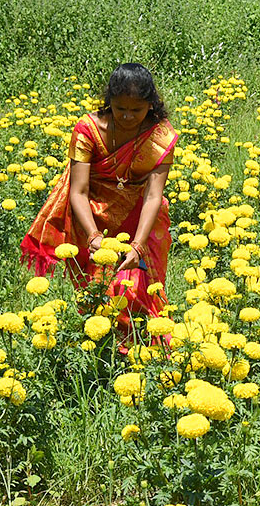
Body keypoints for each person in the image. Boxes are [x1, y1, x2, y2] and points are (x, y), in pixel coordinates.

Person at [21, 63, 178, 325]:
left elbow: (153, 196)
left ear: (150, 104)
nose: (127, 116)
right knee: (97, 290)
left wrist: (138, 246)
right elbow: (78, 191)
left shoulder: (160, 136)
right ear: (109, 102)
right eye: (120, 109)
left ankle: (138, 348)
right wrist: (93, 236)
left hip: (139, 216)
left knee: (139, 289)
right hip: (92, 214)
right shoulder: (88, 129)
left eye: (136, 110)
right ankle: (100, 342)